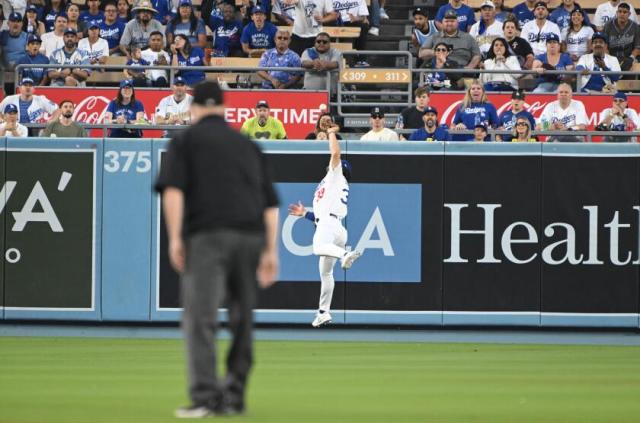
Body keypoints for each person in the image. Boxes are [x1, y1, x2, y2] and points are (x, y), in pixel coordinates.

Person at [154, 80, 279, 418]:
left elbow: (174, 192)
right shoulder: (247, 144)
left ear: (193, 109)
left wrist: (176, 238)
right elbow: (270, 204)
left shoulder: (185, 140)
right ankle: (235, 396)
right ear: (224, 109)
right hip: (250, 237)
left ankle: (207, 397)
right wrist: (271, 251)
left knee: (201, 318)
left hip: (207, 236)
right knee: (242, 318)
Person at [287, 125, 361, 327]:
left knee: (318, 248)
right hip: (335, 227)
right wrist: (305, 215)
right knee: (326, 273)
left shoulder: (336, 175)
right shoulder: (334, 183)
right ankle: (323, 312)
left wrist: (330, 132)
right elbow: (321, 217)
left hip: (330, 226)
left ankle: (344, 254)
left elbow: (336, 152)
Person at [419, 10, 482, 79]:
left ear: (457, 23)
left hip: (460, 73)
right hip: (438, 72)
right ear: (442, 23)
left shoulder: (468, 37)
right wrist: (437, 52)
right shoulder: (435, 37)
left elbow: (477, 55)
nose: (449, 23)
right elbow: (421, 53)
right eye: (446, 21)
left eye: (452, 21)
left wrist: (470, 67)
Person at [603, 3, 640, 72]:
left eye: (625, 12)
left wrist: (631, 58)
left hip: (628, 57)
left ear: (629, 14)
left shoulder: (635, 27)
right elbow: (604, 45)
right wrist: (609, 59)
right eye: (620, 11)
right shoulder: (608, 25)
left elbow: (637, 47)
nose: (622, 14)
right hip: (612, 57)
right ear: (617, 13)